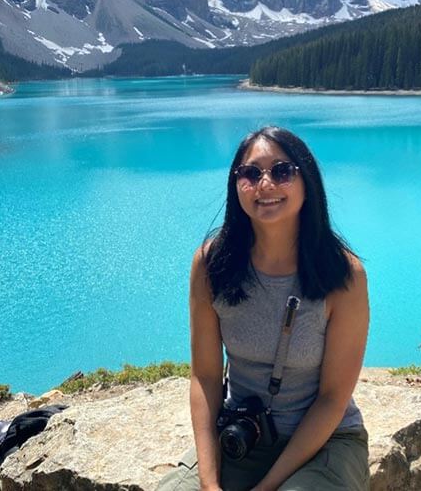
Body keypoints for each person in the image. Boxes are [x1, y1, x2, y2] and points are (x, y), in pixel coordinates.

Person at [157, 126, 369, 491]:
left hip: (324, 441)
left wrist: (267, 486)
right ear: (236, 184)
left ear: (307, 181)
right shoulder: (212, 264)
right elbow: (205, 378)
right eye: (251, 174)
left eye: (282, 171)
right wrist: (209, 484)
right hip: (242, 435)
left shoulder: (343, 274)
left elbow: (332, 398)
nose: (265, 184)